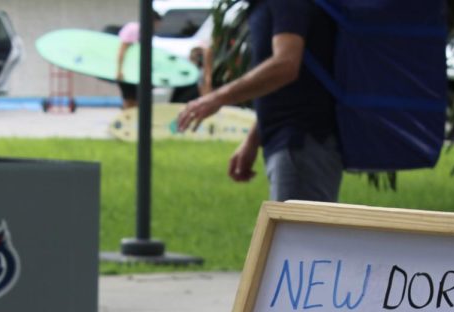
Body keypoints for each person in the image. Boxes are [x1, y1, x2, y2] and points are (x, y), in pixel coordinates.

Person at [175, 0, 341, 203]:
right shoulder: (265, 6)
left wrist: (216, 98)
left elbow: (286, 65)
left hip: (302, 140)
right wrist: (253, 140)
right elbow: (284, 85)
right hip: (290, 141)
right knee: (295, 232)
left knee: (299, 233)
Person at [115, 8, 162, 111]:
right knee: (130, 100)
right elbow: (121, 50)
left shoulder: (148, 32)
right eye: (156, 24)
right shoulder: (133, 29)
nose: (157, 27)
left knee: (139, 100)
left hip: (138, 72)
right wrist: (119, 70)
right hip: (127, 71)